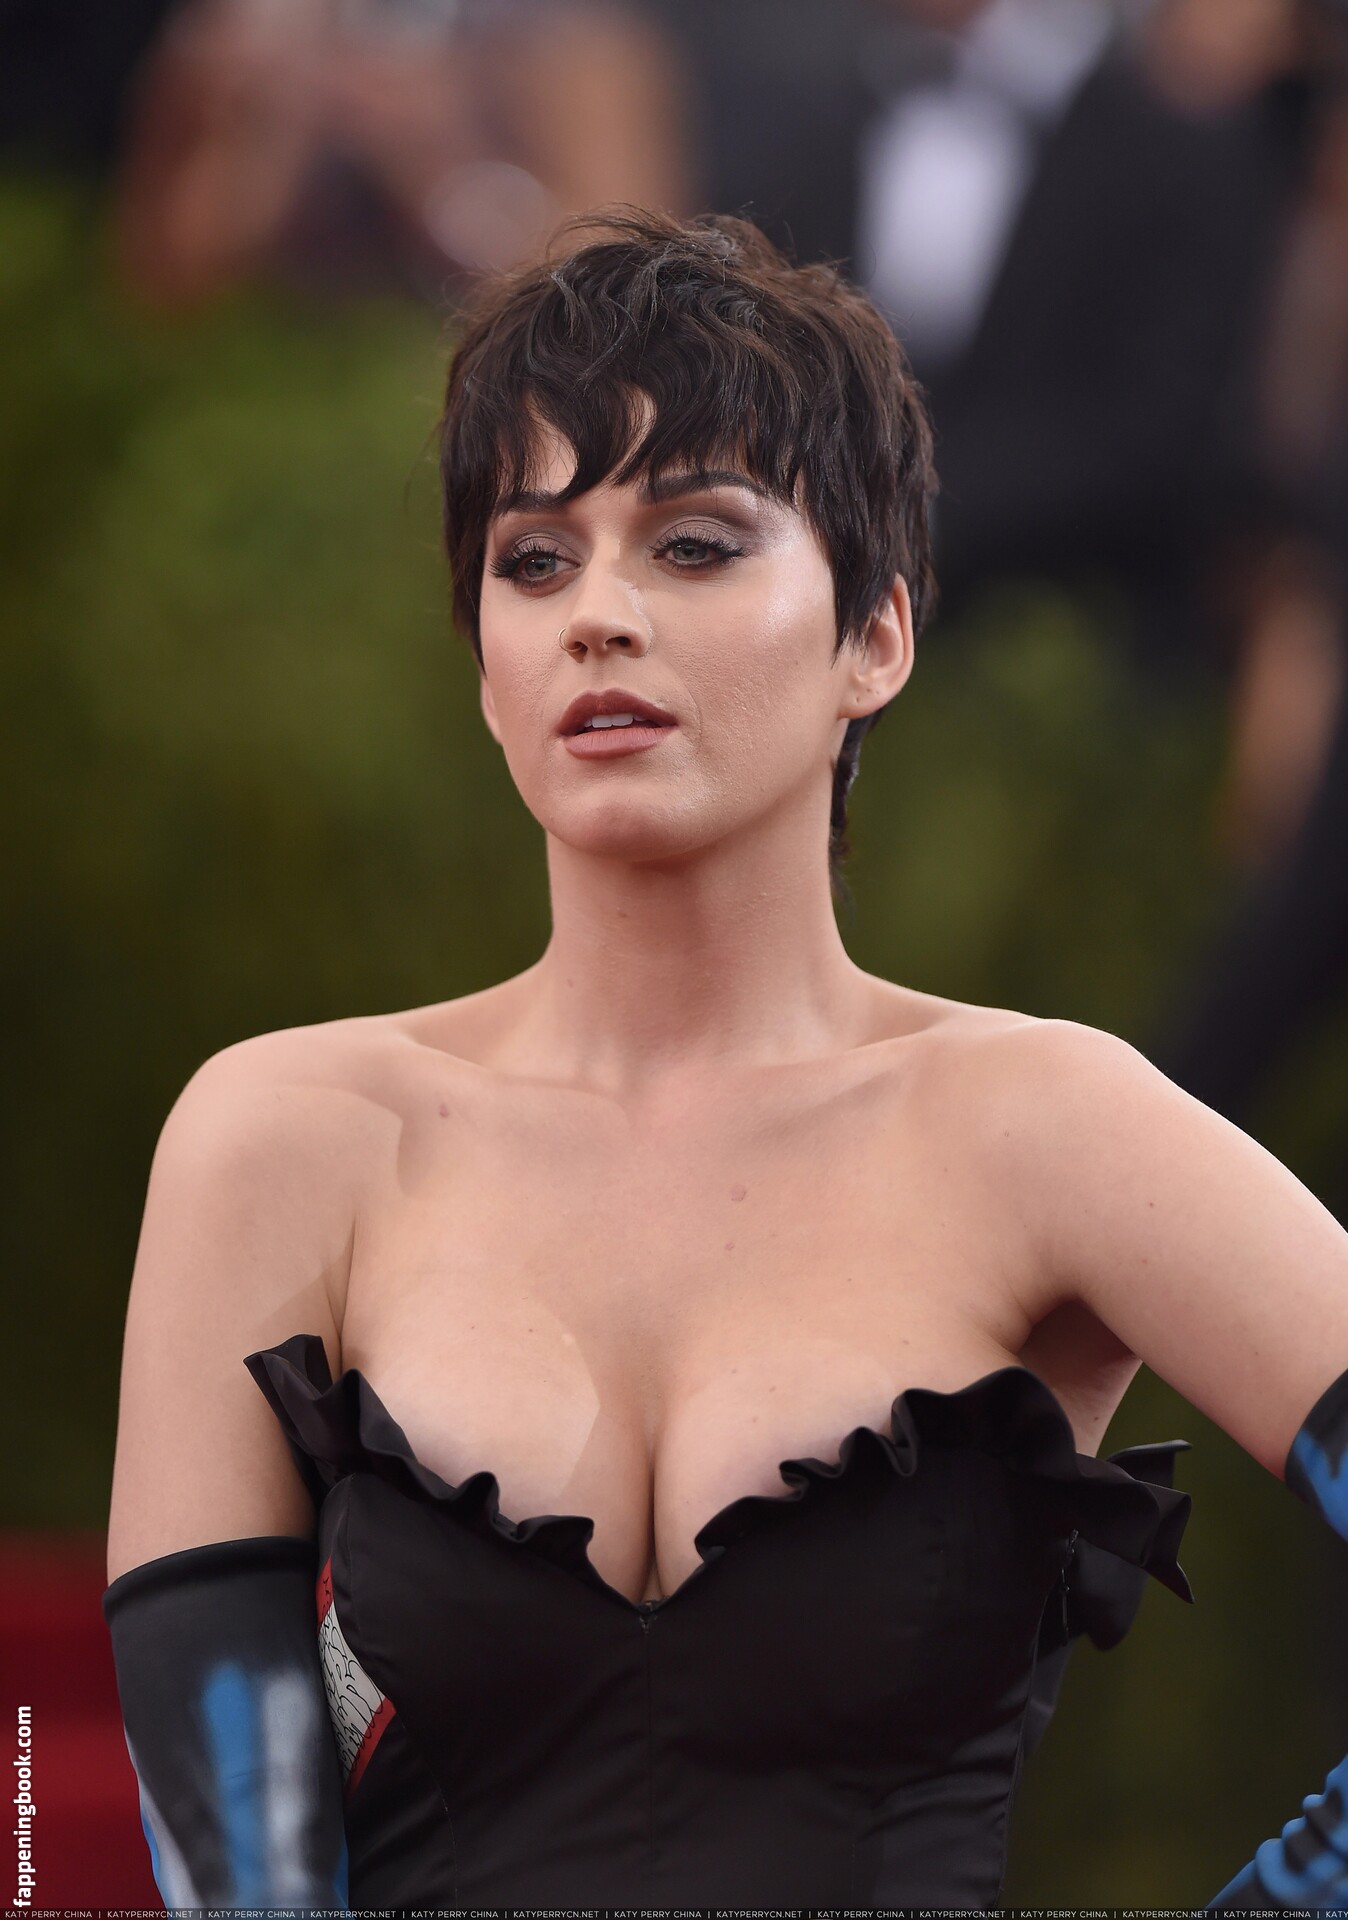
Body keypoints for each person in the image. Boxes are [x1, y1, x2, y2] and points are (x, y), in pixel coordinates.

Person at [100, 209, 1348, 1908]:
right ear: (486, 667)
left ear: (875, 637)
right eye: (535, 561)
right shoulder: (288, 1138)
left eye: (693, 545)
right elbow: (227, 1868)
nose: (599, 615)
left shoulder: (1047, 1125)